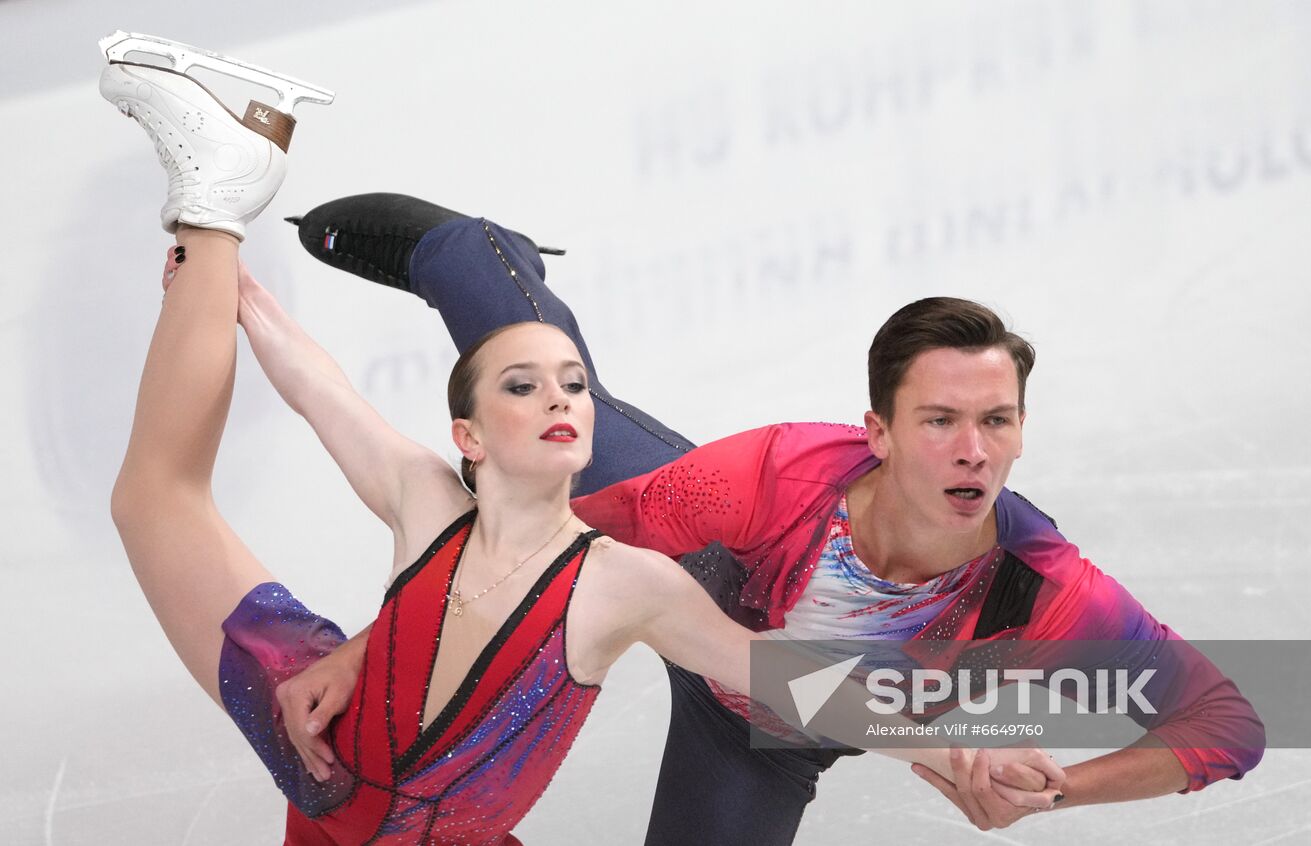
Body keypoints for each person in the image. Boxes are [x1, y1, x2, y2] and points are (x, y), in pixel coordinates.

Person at [102, 37, 1061, 846]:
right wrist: (211, 267)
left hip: (443, 818)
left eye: (573, 387)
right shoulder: (425, 497)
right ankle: (216, 191)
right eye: (525, 386)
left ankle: (237, 195)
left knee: (159, 495)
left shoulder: (625, 580)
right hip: (315, 747)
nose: (563, 400)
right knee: (153, 500)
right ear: (467, 433)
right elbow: (312, 382)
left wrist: (957, 749)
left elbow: (786, 682)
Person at [279, 192, 1267, 842]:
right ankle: (468, 249)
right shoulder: (767, 477)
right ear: (875, 432)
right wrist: (375, 645)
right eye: (938, 422)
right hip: (688, 563)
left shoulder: (1041, 586)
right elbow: (533, 548)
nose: (971, 449)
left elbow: (1225, 725)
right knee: (535, 392)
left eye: (995, 422)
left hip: (760, 734)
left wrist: (1060, 789)